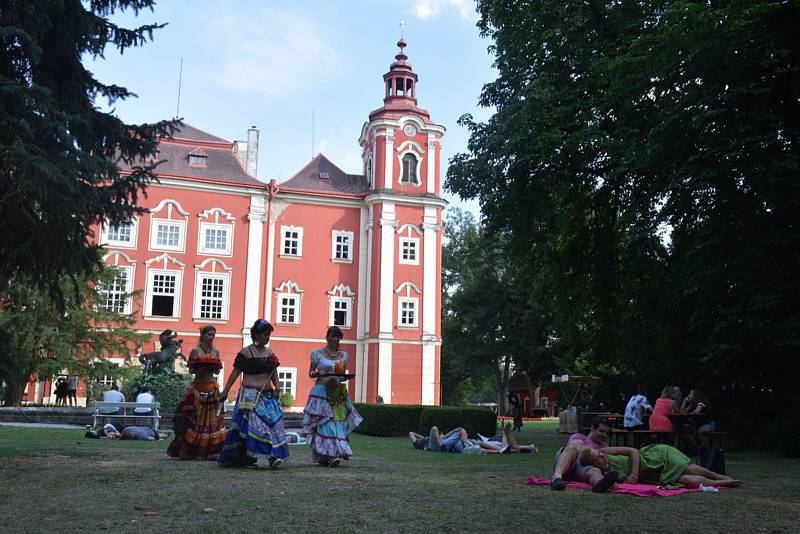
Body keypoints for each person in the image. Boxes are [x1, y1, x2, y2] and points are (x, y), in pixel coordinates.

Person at [218, 319, 289, 469]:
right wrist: (225, 390)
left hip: (268, 396)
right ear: (256, 334)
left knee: (273, 425)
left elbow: (273, 372)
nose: (267, 337)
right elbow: (235, 373)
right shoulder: (246, 352)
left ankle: (271, 455)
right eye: (264, 334)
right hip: (250, 396)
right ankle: (268, 457)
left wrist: (277, 387)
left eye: (268, 334)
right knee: (257, 426)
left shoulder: (270, 352)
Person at [302, 326, 363, 467]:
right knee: (324, 423)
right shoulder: (317, 353)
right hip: (321, 392)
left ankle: (334, 453)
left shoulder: (343, 356)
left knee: (337, 422)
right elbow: (310, 373)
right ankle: (326, 455)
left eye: (338, 336)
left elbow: (341, 376)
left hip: (337, 391)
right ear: (327, 337)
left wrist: (343, 379)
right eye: (333, 336)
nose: (335, 339)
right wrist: (317, 374)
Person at [168, 325, 227, 460]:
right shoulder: (195, 351)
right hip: (198, 388)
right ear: (203, 335)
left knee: (213, 422)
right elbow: (191, 371)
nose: (211, 338)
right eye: (209, 335)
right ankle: (194, 451)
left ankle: (212, 451)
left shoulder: (215, 352)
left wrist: (214, 368)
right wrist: (201, 368)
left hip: (212, 387)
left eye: (213, 335)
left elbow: (217, 371)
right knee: (196, 420)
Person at [579, 444, 741, 489]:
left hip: (653, 456)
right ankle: (720, 483)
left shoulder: (606, 451)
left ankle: (719, 476)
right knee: (684, 479)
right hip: (653, 475)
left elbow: (633, 451)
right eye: (598, 458)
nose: (601, 456)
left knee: (687, 468)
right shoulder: (603, 474)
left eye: (599, 453)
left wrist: (634, 474)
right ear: (594, 465)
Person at [549, 417, 619, 492]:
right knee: (571, 448)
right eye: (601, 431)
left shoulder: (604, 447)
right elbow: (576, 447)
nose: (604, 435)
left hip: (583, 469)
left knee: (594, 470)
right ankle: (556, 478)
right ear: (592, 428)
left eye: (607, 433)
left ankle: (600, 483)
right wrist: (594, 453)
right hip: (569, 463)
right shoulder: (580, 437)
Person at [408, 426, 513, 454]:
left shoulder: (438, 437)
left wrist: (424, 437)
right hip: (437, 446)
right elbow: (411, 433)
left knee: (460, 430)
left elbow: (445, 436)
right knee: (434, 427)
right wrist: (423, 438)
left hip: (444, 444)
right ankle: (468, 445)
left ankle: (467, 445)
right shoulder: (419, 443)